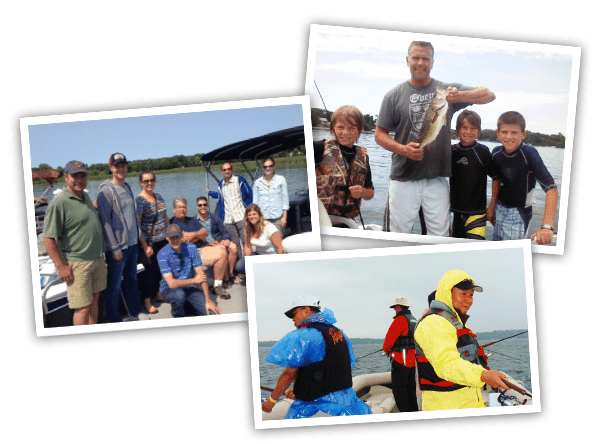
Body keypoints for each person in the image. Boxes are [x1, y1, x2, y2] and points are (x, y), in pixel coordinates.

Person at [375, 41, 495, 236]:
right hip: (403, 177)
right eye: (416, 57)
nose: (420, 62)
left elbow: (489, 95)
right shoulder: (393, 95)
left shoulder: (447, 90)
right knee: (397, 234)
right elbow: (379, 135)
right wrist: (403, 149)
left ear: (432, 62)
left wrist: (460, 96)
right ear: (407, 61)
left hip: (437, 179)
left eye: (425, 58)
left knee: (440, 236)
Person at [261, 295, 372, 418]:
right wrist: (298, 391)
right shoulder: (338, 332)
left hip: (319, 408)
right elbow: (343, 364)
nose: (293, 319)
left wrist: (271, 401)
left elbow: (289, 373)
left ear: (307, 310)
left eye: (294, 313)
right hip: (347, 403)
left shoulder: (306, 335)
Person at [414, 270, 510, 410]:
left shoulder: (452, 322)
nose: (468, 300)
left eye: (471, 295)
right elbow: (447, 364)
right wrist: (483, 375)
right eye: (463, 294)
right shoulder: (434, 323)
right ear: (447, 293)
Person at [42, 160, 107, 325]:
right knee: (82, 308)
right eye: (75, 176)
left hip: (97, 259)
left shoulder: (85, 196)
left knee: (95, 300)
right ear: (66, 177)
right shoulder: (60, 202)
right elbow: (48, 238)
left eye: (83, 176)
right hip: (78, 263)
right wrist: (61, 266)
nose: (79, 180)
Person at [487, 111, 558, 245]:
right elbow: (496, 180)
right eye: (504, 132)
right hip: (499, 209)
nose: (509, 137)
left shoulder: (529, 154)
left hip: (518, 213)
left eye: (514, 132)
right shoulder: (496, 153)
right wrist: (492, 206)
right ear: (497, 133)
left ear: (523, 134)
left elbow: (551, 189)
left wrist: (547, 227)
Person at [96, 153, 144, 322]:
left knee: (132, 280)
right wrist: (115, 248)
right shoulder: (105, 192)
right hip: (118, 249)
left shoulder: (128, 187)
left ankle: (134, 314)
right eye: (117, 166)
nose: (121, 169)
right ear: (111, 168)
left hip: (133, 245)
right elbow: (105, 223)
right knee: (114, 288)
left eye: (123, 165)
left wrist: (139, 240)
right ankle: (114, 320)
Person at [315, 105, 374, 224]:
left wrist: (362, 192)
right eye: (340, 127)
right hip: (321, 219)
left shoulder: (363, 157)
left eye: (352, 128)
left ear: (359, 130)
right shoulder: (319, 147)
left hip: (348, 221)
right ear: (332, 129)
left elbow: (370, 192)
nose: (345, 132)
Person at [169, 197, 231, 299]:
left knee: (222, 251)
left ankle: (218, 285)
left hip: (200, 250)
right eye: (179, 207)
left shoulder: (192, 220)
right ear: (174, 209)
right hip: (187, 255)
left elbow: (205, 233)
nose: (182, 209)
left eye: (184, 207)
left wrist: (192, 235)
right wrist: (197, 236)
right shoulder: (173, 223)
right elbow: (182, 239)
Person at [450, 110, 499, 239]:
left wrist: (492, 205)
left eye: (473, 128)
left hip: (477, 213)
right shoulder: (452, 151)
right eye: (464, 128)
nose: (468, 132)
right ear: (457, 130)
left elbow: (496, 178)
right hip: (456, 213)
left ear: (478, 131)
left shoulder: (482, 151)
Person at [156, 224, 220, 317]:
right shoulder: (162, 254)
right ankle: (178, 315)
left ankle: (187, 306)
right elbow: (171, 283)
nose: (175, 240)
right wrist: (194, 280)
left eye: (177, 237)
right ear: (166, 238)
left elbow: (201, 276)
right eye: (171, 238)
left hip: (190, 287)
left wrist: (208, 301)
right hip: (169, 289)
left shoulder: (191, 248)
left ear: (182, 236)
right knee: (179, 296)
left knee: (211, 314)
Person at [135, 171, 169, 314]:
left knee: (162, 270)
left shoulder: (158, 196)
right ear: (141, 183)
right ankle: (147, 301)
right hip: (150, 244)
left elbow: (165, 215)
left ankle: (158, 293)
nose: (149, 183)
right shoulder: (140, 200)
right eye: (146, 181)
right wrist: (145, 246)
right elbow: (138, 225)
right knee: (151, 273)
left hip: (163, 240)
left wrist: (170, 234)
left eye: (152, 180)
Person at [206, 162, 253, 258]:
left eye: (229, 169)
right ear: (221, 172)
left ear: (232, 169)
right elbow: (220, 196)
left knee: (246, 240)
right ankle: (241, 263)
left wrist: (251, 211)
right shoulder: (221, 185)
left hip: (241, 215)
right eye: (224, 170)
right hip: (228, 219)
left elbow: (250, 194)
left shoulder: (240, 181)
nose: (227, 171)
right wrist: (210, 193)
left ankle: (249, 263)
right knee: (235, 243)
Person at [382, 296, 419, 412]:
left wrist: (386, 349)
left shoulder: (399, 320)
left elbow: (388, 342)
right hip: (412, 361)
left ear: (399, 307)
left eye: (395, 308)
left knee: (399, 392)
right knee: (410, 391)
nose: (394, 310)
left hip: (400, 361)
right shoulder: (414, 320)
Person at [195, 196, 240, 285]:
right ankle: (226, 278)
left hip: (218, 241)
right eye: (200, 205)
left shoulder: (214, 218)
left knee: (233, 247)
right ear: (197, 207)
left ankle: (231, 273)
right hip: (206, 245)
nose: (203, 207)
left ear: (208, 205)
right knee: (222, 250)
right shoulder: (194, 221)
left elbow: (223, 231)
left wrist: (226, 239)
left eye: (205, 204)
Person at [253, 157, 289, 233]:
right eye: (265, 167)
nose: (268, 168)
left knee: (278, 242)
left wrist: (284, 217)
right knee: (266, 242)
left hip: (278, 218)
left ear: (274, 167)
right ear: (262, 168)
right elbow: (255, 203)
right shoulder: (257, 183)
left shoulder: (281, 180)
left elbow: (285, 200)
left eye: (270, 166)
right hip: (263, 218)